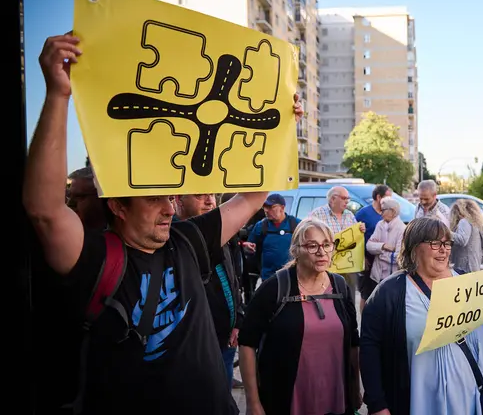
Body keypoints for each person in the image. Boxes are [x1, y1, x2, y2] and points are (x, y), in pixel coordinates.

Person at [22, 33, 303, 415]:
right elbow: (44, 209)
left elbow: (252, 197)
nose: (169, 209)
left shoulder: (188, 239)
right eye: (154, 199)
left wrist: (282, 126)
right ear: (118, 206)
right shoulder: (96, 257)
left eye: (170, 197)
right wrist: (58, 94)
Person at [360, 217, 483, 415]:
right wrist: (377, 404)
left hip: (471, 399)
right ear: (414, 247)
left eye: (447, 243)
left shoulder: (466, 281)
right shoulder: (389, 293)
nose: (444, 250)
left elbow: (482, 329)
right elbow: (370, 349)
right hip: (419, 402)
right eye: (435, 243)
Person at [238, 219, 362, 415]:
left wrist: (355, 387)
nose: (321, 252)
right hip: (285, 400)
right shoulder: (275, 288)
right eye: (312, 246)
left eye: (327, 244)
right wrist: (253, 402)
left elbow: (353, 342)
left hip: (336, 397)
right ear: (296, 250)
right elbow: (247, 343)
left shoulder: (340, 286)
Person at [174, 193, 244, 388]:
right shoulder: (172, 237)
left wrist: (238, 318)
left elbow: (234, 278)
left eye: (212, 194)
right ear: (179, 199)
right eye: (199, 195)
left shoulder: (224, 232)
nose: (210, 201)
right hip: (194, 347)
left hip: (226, 338)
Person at [244, 193, 301, 282]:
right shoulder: (261, 226)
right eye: (265, 207)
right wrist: (247, 247)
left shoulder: (296, 224)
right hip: (268, 277)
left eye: (271, 207)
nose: (266, 210)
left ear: (282, 208)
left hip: (292, 276)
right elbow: (249, 245)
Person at [356, 185, 392, 311]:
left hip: (384, 262)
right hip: (368, 262)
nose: (390, 200)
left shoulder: (388, 213)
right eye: (388, 197)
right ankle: (364, 320)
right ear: (378, 197)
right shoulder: (363, 214)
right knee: (366, 295)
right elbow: (355, 238)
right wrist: (362, 258)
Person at [363, 197, 406, 304]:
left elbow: (398, 257)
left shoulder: (402, 229)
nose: (380, 213)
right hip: (376, 276)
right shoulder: (380, 224)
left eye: (383, 210)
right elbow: (369, 246)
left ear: (393, 211)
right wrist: (383, 246)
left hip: (391, 277)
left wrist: (379, 253)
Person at [448, 199, 483, 272]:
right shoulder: (475, 224)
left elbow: (462, 240)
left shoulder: (464, 221)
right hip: (474, 265)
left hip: (465, 266)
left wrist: (446, 232)